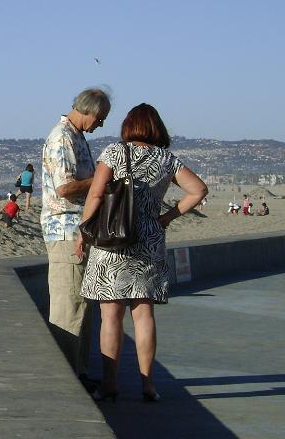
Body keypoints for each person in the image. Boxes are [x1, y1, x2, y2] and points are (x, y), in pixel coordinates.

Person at [75, 103, 207, 402]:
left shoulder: (113, 153)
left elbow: (96, 193)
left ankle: (110, 383)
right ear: (156, 127)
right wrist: (167, 217)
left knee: (110, 316)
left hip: (112, 240)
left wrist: (84, 230)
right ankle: (148, 384)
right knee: (143, 313)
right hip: (148, 240)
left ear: (128, 126)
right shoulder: (167, 159)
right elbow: (198, 190)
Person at [41, 87, 111, 387]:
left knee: (81, 304)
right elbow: (65, 188)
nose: (101, 125)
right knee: (69, 306)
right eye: (101, 119)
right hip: (66, 231)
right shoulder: (62, 138)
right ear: (89, 111)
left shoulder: (76, 136)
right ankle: (69, 378)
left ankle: (80, 372)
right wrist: (101, 180)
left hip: (77, 231)